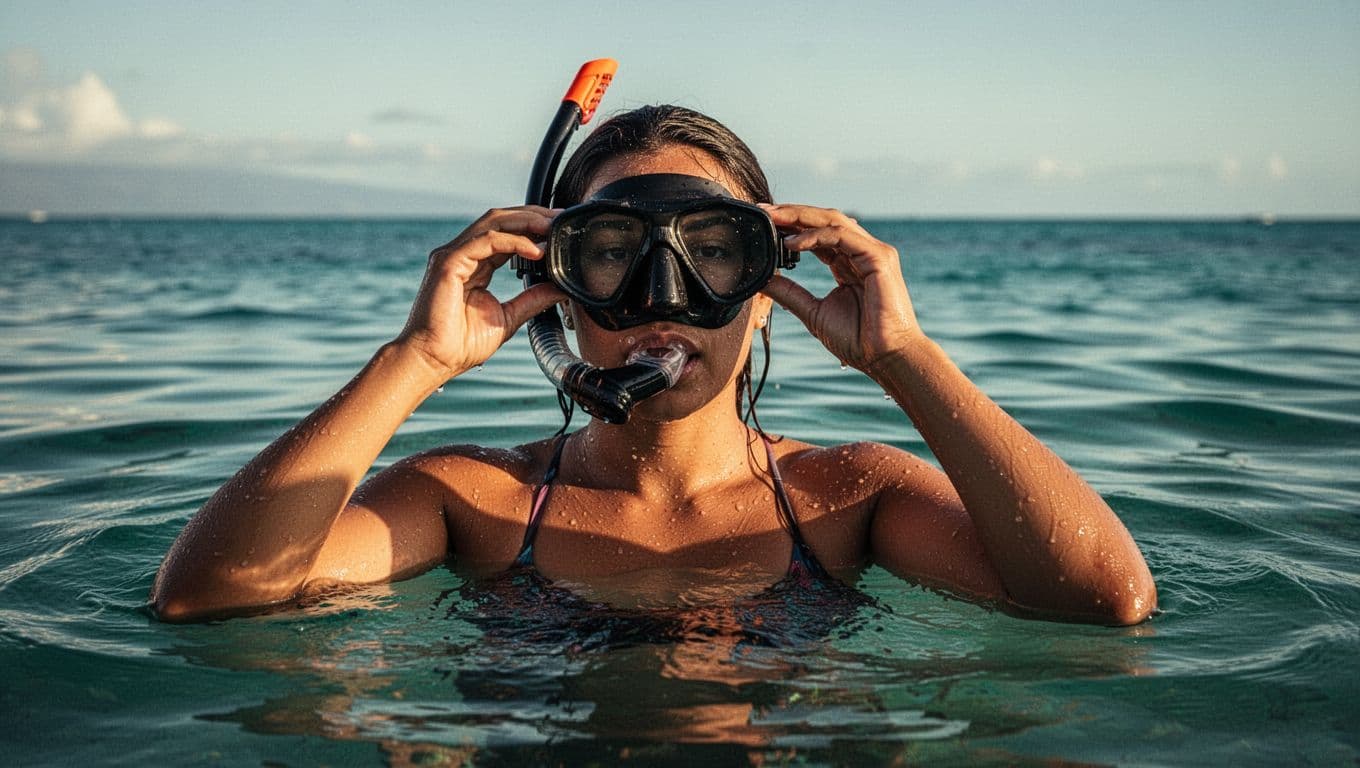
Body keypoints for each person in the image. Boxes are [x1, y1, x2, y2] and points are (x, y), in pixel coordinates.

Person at [151, 105, 1156, 625]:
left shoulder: (851, 494)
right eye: (613, 253)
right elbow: (214, 598)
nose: (662, 297)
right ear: (556, 286)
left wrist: (905, 358)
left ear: (765, 293)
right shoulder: (471, 498)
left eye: (715, 252)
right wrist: (413, 362)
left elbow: (1104, 602)